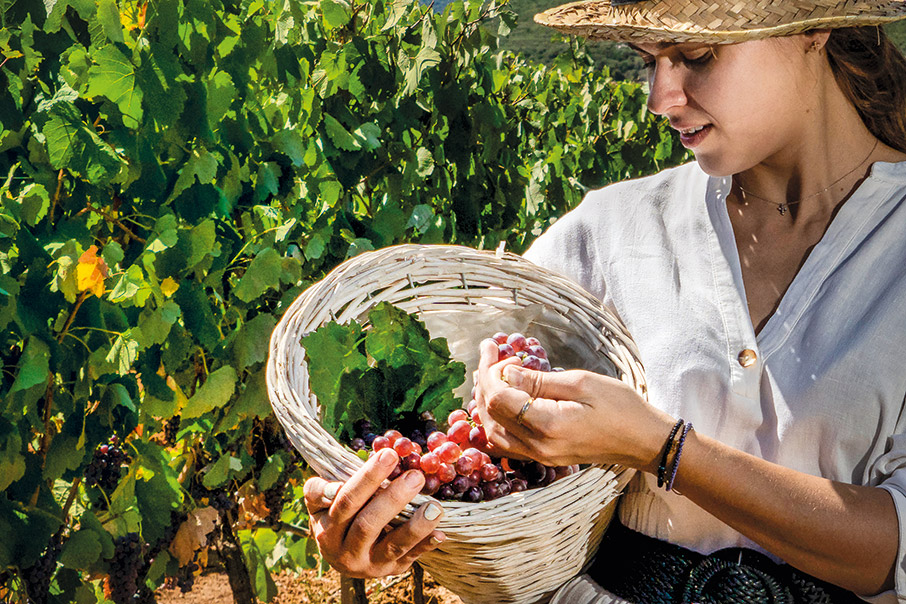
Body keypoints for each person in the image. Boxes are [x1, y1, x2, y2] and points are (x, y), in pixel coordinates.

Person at [302, 1, 906, 601]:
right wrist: (380, 514)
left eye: (697, 56)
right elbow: (463, 436)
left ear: (812, 28)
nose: (660, 98)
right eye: (648, 61)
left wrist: (661, 447)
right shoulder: (610, 231)